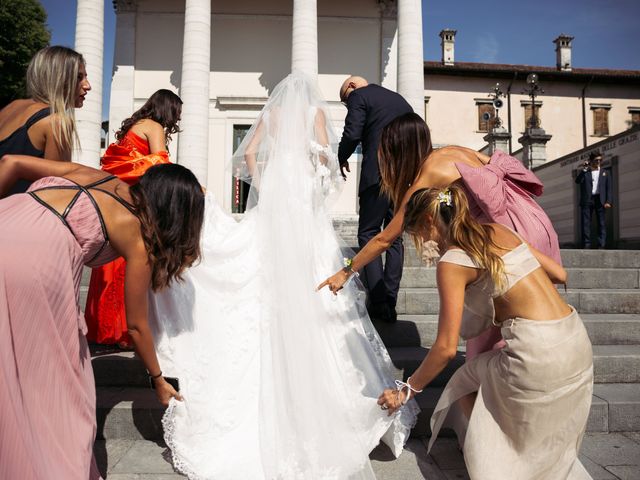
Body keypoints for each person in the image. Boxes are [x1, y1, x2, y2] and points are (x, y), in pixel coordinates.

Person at [149, 72, 418, 480]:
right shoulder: (316, 113)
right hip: (302, 192)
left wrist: (264, 184)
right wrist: (318, 180)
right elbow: (327, 158)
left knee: (263, 260)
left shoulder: (270, 115)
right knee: (311, 259)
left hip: (277, 188)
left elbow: (249, 155)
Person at [0, 156, 204, 480]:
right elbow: (136, 326)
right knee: (66, 382)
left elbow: (11, 162)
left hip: (7, 216)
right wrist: (158, 380)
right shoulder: (138, 234)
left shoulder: (96, 176)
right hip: (40, 259)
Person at [377, 184, 593, 479]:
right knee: (476, 377)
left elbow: (445, 349)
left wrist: (406, 392)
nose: (425, 241)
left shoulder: (452, 261)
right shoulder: (498, 230)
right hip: (575, 339)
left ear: (429, 221)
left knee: (460, 386)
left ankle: (499, 465)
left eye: (419, 234)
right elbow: (560, 274)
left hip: (537, 353)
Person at [319, 112, 561, 359]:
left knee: (492, 324)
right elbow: (494, 173)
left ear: (398, 151)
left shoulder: (426, 177)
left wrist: (345, 271)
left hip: (507, 229)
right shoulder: (453, 151)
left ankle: (491, 380)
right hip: (531, 217)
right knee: (527, 310)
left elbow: (384, 239)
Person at [85, 89, 183, 348]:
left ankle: (107, 327)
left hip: (116, 201)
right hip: (134, 204)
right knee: (132, 262)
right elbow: (161, 167)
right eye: (177, 112)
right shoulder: (155, 127)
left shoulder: (136, 125)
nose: (178, 119)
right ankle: (128, 331)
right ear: (168, 109)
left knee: (113, 262)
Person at [337, 75, 413, 322]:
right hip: (404, 176)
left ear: (351, 87)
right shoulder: (398, 99)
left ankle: (378, 301)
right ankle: (390, 300)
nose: (350, 105)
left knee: (368, 232)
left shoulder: (359, 95)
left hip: (378, 174)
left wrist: (341, 156)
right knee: (394, 238)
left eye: (346, 102)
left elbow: (352, 132)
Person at [0, 46, 91, 193]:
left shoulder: (12, 107)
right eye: (79, 77)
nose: (88, 86)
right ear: (59, 78)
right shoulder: (57, 121)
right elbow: (54, 191)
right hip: (19, 213)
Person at [575, 151, 612, 249]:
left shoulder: (605, 172)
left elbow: (609, 188)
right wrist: (584, 169)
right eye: (596, 160)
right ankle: (586, 244)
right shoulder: (585, 172)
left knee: (601, 223)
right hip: (587, 200)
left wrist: (608, 201)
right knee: (586, 223)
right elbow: (577, 181)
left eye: (600, 160)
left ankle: (601, 244)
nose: (598, 162)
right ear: (591, 161)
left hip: (600, 199)